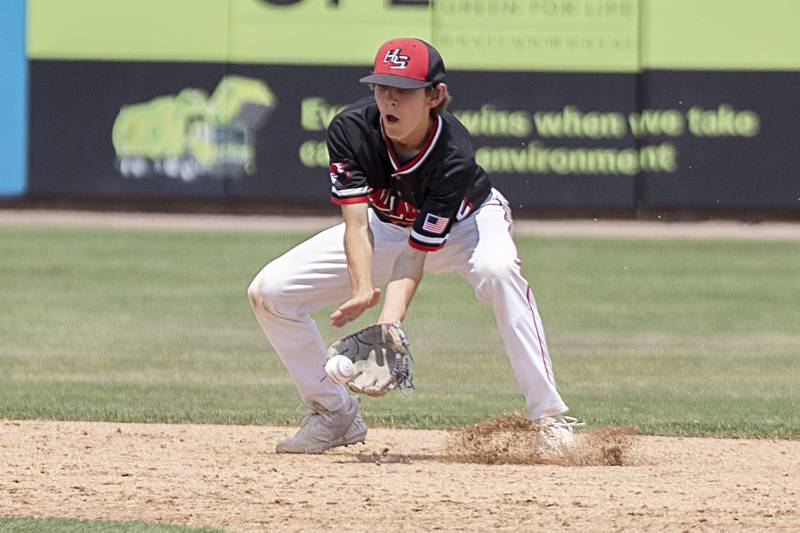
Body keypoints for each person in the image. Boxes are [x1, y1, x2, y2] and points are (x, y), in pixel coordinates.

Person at [247, 37, 580, 454]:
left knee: (498, 271)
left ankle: (549, 418)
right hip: (386, 227)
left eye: (403, 91)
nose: (389, 99)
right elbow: (356, 225)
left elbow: (415, 254)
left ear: (435, 96)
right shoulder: (350, 129)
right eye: (382, 87)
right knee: (270, 292)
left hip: (468, 225)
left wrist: (388, 325)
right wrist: (361, 287)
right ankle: (335, 415)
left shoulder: (452, 153)